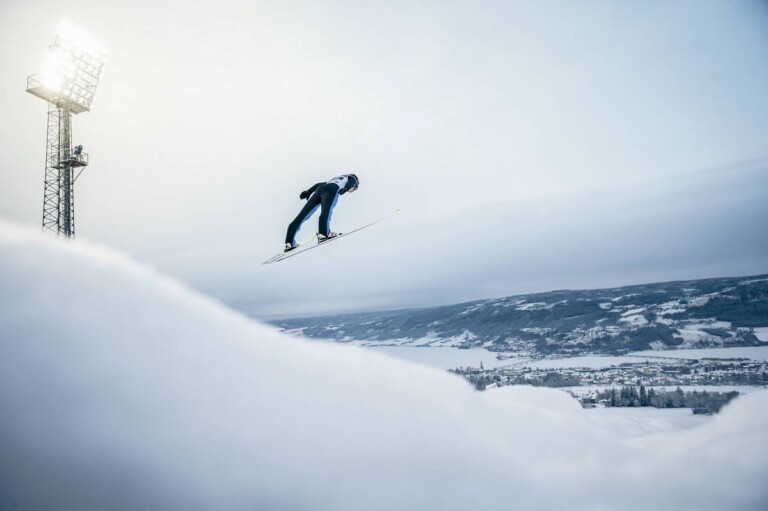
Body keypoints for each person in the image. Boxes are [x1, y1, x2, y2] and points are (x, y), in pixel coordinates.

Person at [284, 174, 360, 252]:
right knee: (326, 211)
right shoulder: (352, 178)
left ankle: (289, 242)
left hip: (320, 189)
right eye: (354, 189)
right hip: (332, 189)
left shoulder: (335, 179)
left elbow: (319, 184)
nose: (352, 191)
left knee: (302, 215)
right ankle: (324, 233)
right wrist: (346, 188)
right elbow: (352, 181)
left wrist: (308, 191)